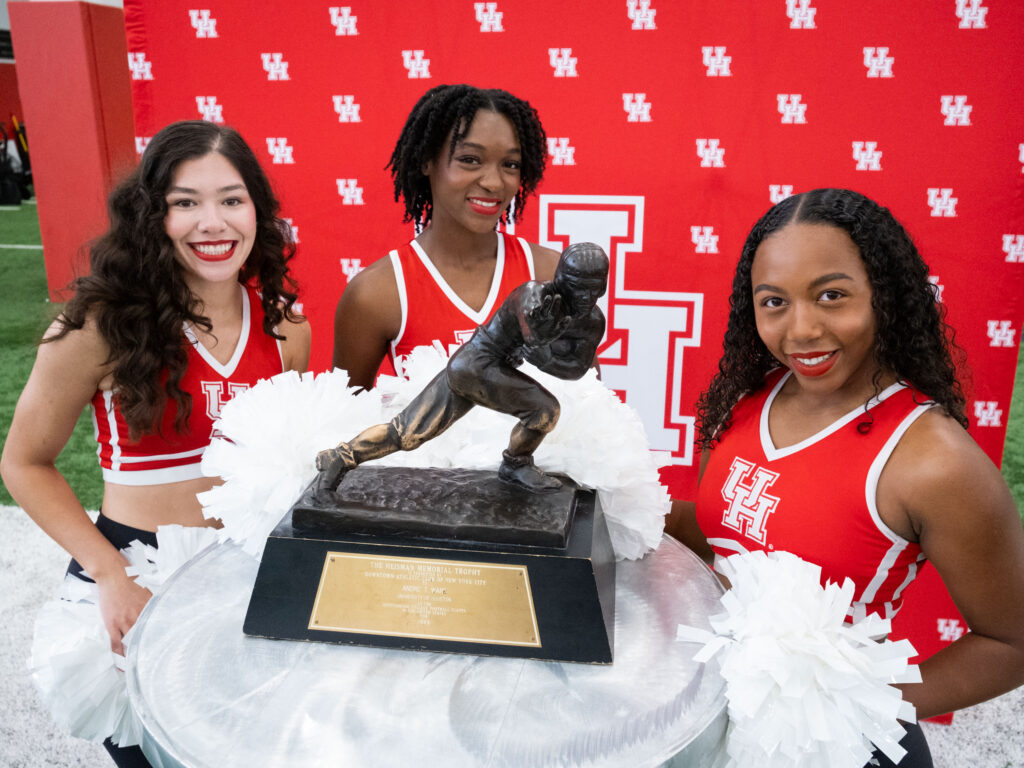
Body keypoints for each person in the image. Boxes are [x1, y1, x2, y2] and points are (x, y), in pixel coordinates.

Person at [667, 188, 1024, 767]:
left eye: (831, 295)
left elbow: (1011, 643)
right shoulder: (743, 401)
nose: (802, 329)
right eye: (774, 302)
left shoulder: (933, 459)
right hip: (722, 714)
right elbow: (724, 541)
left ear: (884, 295)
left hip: (840, 747)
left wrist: (852, 702)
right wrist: (621, 504)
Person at [0, 120, 310, 767]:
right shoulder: (97, 325)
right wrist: (109, 575)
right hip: (135, 571)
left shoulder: (286, 328)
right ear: (152, 215)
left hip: (245, 573)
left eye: (231, 199)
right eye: (185, 203)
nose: (212, 222)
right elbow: (24, 463)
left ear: (256, 209)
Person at [317, 243, 608, 493]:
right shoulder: (534, 295)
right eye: (577, 288)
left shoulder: (592, 321)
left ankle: (340, 457)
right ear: (561, 280)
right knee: (543, 411)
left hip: (483, 367)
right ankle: (515, 463)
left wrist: (541, 352)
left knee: (407, 431)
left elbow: (575, 370)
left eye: (594, 290)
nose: (585, 298)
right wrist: (541, 346)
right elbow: (533, 334)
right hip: (476, 363)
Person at [332, 83, 561, 388]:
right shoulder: (377, 293)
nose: (494, 183)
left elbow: (591, 403)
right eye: (470, 159)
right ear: (427, 160)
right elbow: (346, 423)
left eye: (510, 164)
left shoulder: (548, 273)